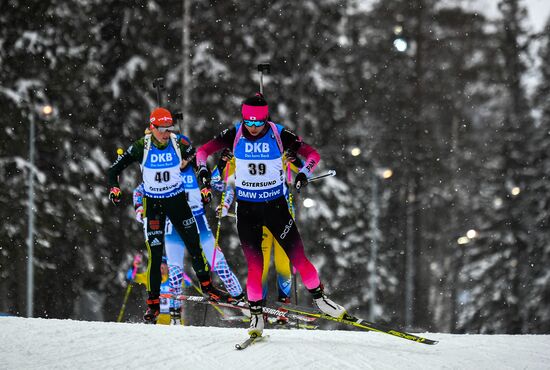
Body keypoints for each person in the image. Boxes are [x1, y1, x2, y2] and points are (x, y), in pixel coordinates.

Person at [196, 93, 347, 337]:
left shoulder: (278, 133)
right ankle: (256, 316)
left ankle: (320, 300)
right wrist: (203, 170)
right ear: (243, 119)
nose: (254, 128)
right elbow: (202, 151)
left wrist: (303, 174)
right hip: (247, 211)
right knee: (256, 266)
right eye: (249, 123)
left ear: (267, 119)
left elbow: (313, 155)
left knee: (298, 258)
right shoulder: (234, 134)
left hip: (276, 207)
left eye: (259, 123)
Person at [107, 107, 229, 324]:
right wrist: (114, 188)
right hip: (153, 204)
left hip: (177, 201)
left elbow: (199, 161)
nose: (166, 133)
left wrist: (204, 185)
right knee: (154, 255)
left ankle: (208, 288)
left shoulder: (178, 143)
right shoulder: (140, 146)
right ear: (152, 127)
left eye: (168, 128)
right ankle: (153, 304)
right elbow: (113, 169)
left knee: (194, 244)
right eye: (162, 129)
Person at [132, 153, 245, 322]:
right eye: (177, 158)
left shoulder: (198, 173)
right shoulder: (166, 174)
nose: (181, 162)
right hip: (174, 228)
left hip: (199, 224)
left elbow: (224, 187)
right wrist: (139, 208)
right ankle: (175, 317)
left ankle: (242, 302)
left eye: (184, 158)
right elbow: (138, 191)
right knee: (175, 273)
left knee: (220, 266)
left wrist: (225, 204)